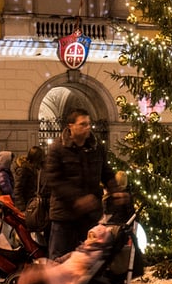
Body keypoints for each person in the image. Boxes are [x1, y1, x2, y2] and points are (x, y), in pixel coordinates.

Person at [43, 108, 123, 260]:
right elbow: (54, 180)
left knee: (89, 260)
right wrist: (78, 199)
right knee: (59, 261)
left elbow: (105, 171)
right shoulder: (57, 148)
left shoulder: (96, 147)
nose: (88, 128)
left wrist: (115, 189)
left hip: (90, 216)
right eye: (83, 124)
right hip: (64, 216)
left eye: (89, 124)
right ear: (70, 126)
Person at [12, 145, 45, 211]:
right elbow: (18, 190)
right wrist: (22, 208)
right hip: (26, 205)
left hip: (32, 204)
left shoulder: (35, 169)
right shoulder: (24, 169)